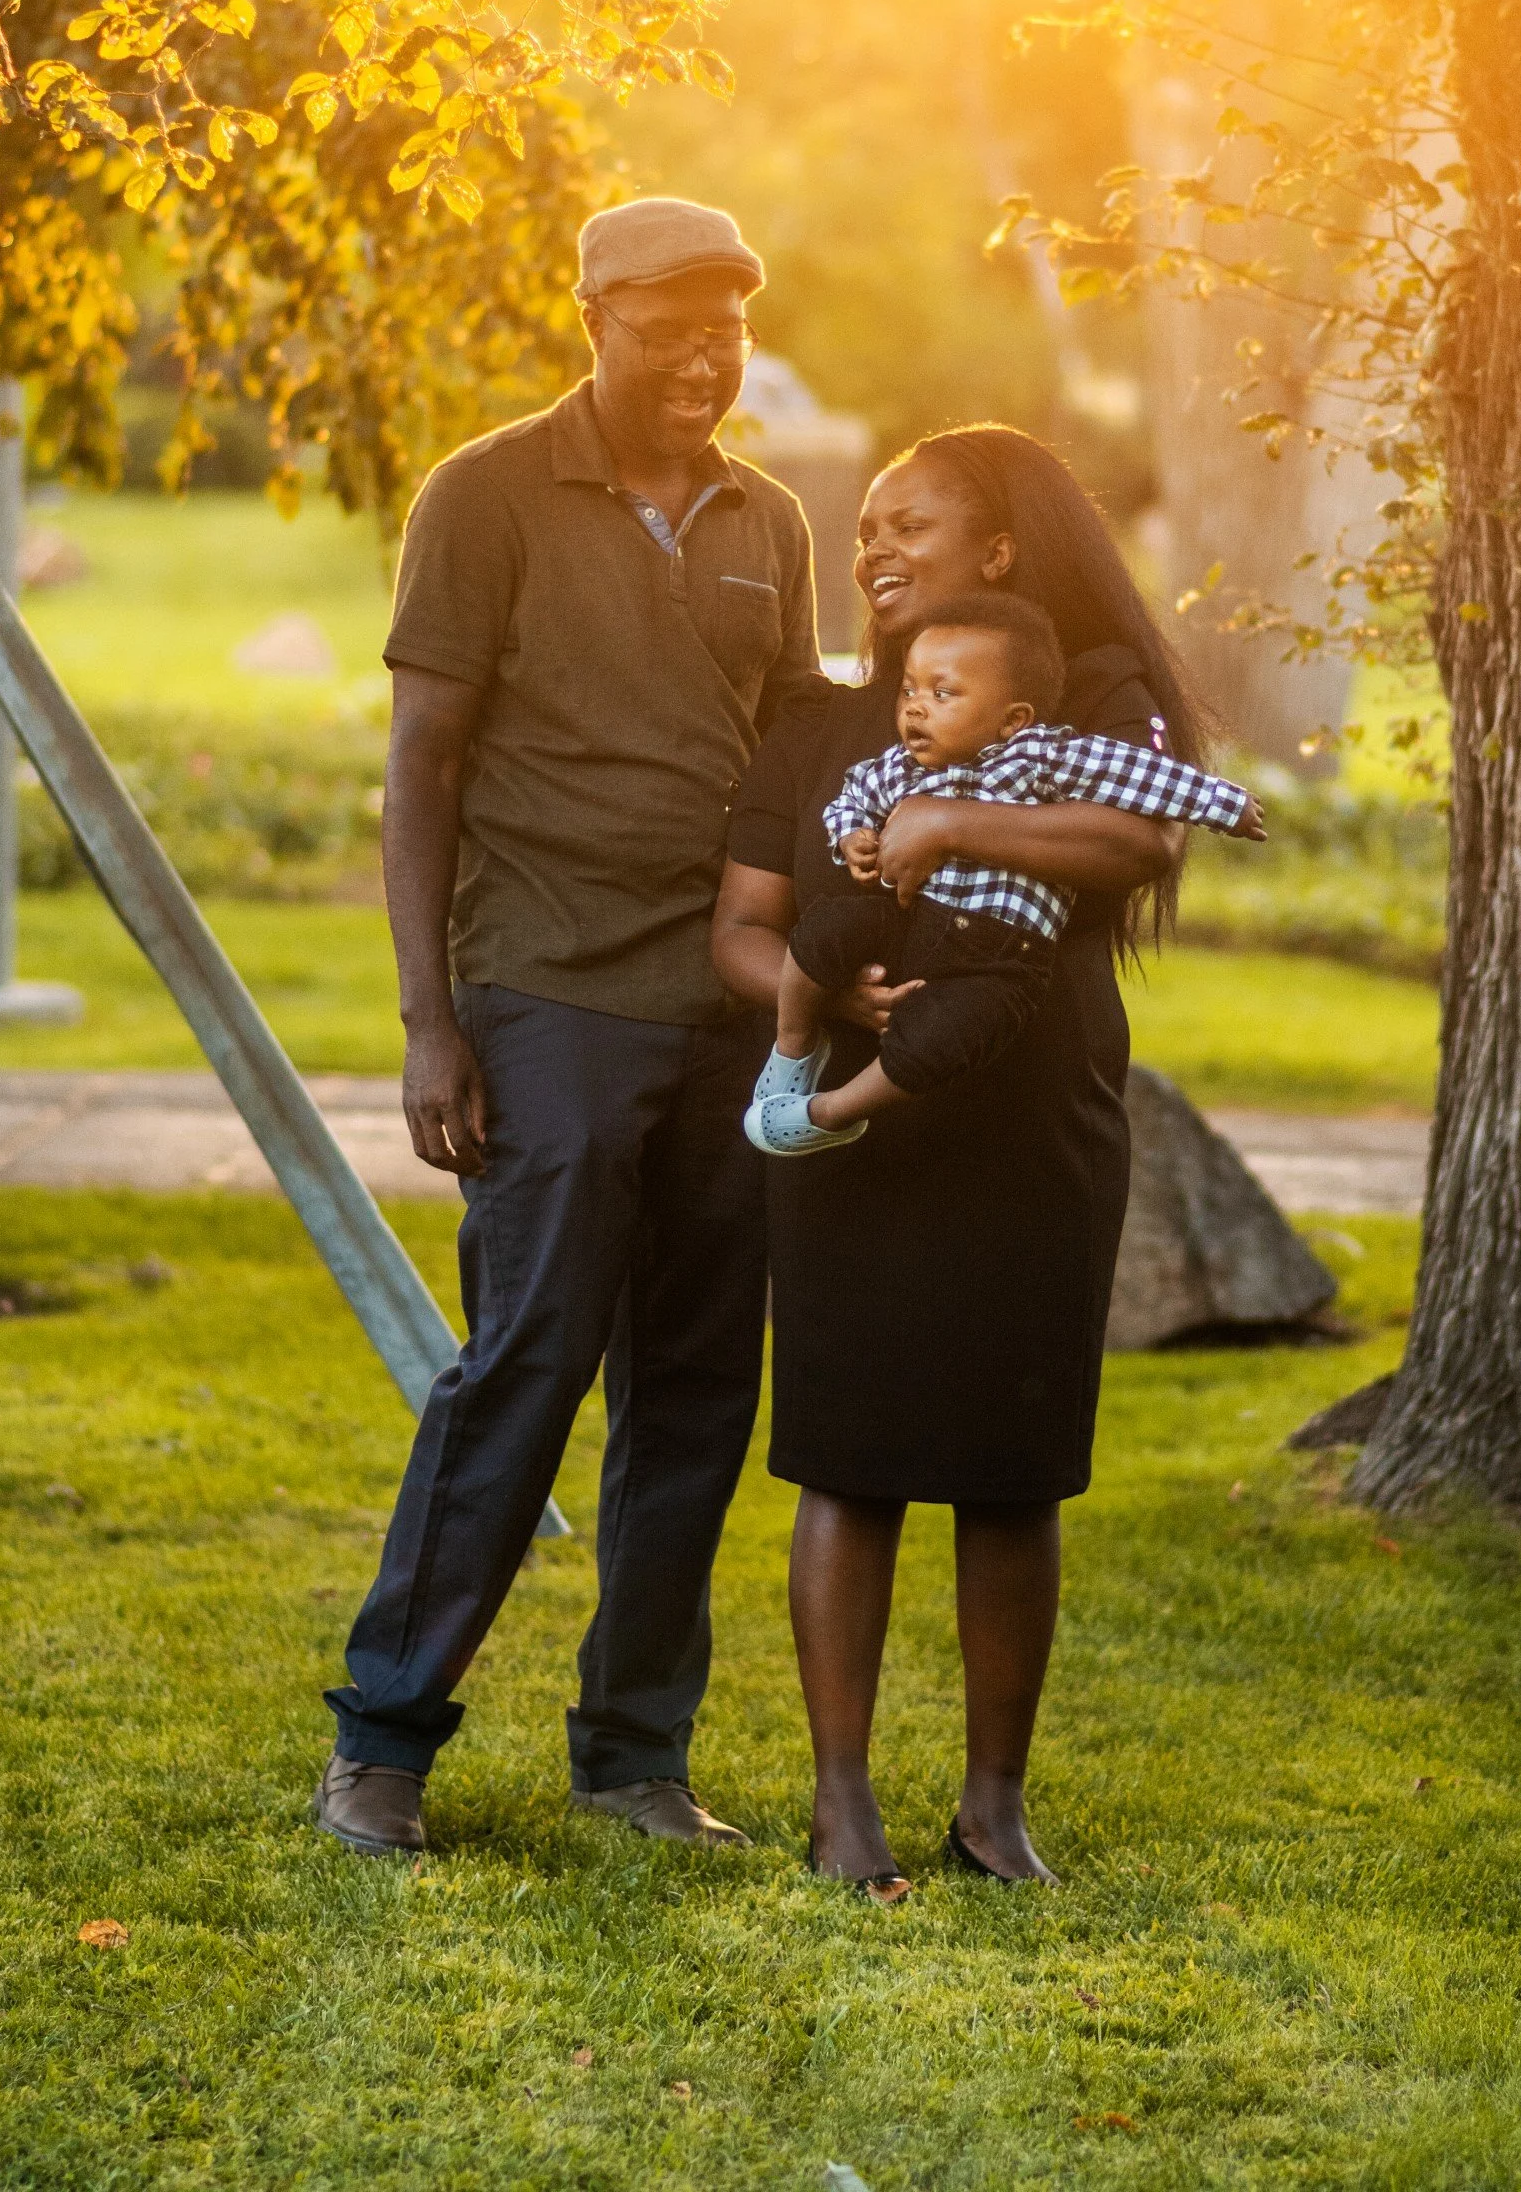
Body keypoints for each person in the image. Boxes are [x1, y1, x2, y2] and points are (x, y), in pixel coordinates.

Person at [313, 196, 819, 1861]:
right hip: (547, 992)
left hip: (728, 1010)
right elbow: (425, 766)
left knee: (696, 1387)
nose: (703, 359)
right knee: (528, 1358)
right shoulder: (484, 496)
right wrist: (430, 1023)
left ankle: (634, 1757)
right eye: (670, 329)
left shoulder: (768, 519)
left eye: (726, 331)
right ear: (594, 317)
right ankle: (384, 1742)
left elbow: (790, 760)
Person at [712, 425, 1220, 1897]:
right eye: (865, 526)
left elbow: (1136, 844)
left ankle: (994, 1812)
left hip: (1033, 1125)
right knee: (847, 1461)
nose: (873, 547)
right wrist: (823, 1004)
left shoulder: (1083, 693)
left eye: (910, 524)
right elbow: (740, 928)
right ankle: (842, 1805)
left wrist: (950, 817)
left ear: (998, 549)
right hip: (853, 1133)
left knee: (1011, 1472)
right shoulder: (819, 729)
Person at [748, 592, 1260, 1152]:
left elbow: (1139, 774)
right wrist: (852, 835)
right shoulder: (898, 766)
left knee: (934, 1044)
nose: (915, 708)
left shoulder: (1040, 756)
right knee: (823, 932)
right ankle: (792, 1049)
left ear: (1012, 720)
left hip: (1000, 957)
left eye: (942, 694)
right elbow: (850, 798)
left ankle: (832, 1112)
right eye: (909, 691)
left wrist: (1227, 806)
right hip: (910, 921)